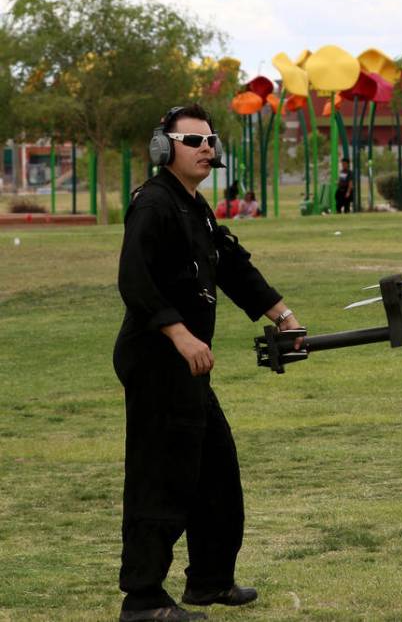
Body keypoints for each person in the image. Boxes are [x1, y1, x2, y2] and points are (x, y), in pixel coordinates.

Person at [114, 105, 303, 622]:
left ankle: (209, 581)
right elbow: (135, 281)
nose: (205, 148)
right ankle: (143, 599)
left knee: (216, 471)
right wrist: (180, 334)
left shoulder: (195, 207)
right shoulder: (152, 204)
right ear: (163, 147)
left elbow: (234, 267)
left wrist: (283, 316)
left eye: (209, 140)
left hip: (187, 366)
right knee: (162, 476)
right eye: (192, 139)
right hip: (157, 360)